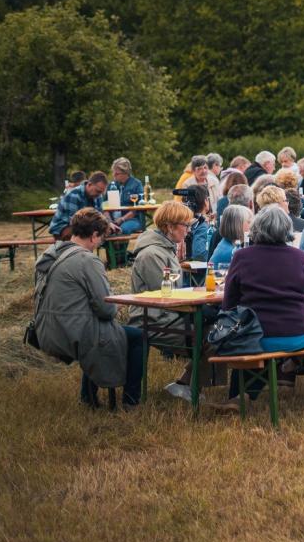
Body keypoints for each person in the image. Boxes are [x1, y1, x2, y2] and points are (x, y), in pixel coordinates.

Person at [32, 208, 145, 408]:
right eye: (101, 238)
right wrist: (118, 302)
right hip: (70, 333)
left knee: (94, 327)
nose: (100, 243)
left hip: (44, 330)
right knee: (137, 337)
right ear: (94, 236)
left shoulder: (52, 252)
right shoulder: (87, 260)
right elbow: (106, 310)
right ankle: (131, 401)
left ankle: (88, 397)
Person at [210, 207, 304, 408]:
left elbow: (229, 303)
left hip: (258, 336)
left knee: (245, 335)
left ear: (257, 228)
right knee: (257, 335)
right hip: (298, 334)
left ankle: (238, 397)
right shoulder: (299, 256)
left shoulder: (242, 256)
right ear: (287, 229)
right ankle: (247, 394)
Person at [130, 200, 196, 400]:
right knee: (212, 337)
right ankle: (188, 386)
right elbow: (163, 297)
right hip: (153, 319)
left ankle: (187, 383)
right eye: (185, 225)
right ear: (169, 226)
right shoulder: (152, 254)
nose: (188, 231)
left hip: (167, 315)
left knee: (217, 331)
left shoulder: (164, 248)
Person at [49, 171, 112, 240]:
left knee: (106, 231)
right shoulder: (74, 195)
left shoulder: (98, 196)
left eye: (102, 192)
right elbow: (74, 222)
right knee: (86, 234)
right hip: (62, 229)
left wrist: (108, 225)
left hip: (83, 227)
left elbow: (100, 216)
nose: (99, 195)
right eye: (98, 191)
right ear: (89, 184)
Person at [107, 158, 145, 235]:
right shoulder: (111, 185)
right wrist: (109, 221)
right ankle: (112, 247)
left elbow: (138, 207)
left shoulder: (136, 184)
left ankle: (119, 247)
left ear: (126, 173)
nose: (114, 175)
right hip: (111, 219)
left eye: (117, 173)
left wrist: (122, 219)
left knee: (121, 230)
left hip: (132, 219)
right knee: (104, 231)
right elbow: (104, 205)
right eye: (113, 172)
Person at [210, 204, 251, 269]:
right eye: (249, 222)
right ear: (238, 225)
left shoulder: (225, 244)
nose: (251, 226)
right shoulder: (232, 252)